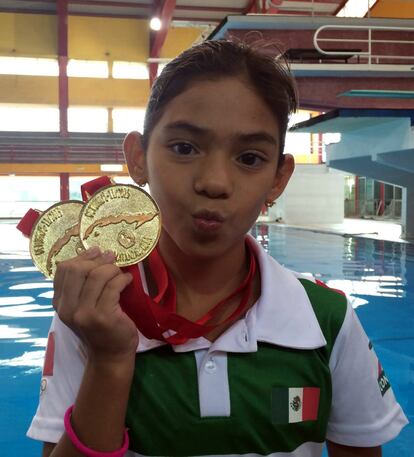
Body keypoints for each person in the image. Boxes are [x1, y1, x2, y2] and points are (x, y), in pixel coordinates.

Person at [27, 39, 408, 457]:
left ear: (278, 179)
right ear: (138, 158)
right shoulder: (90, 315)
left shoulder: (325, 320)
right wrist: (110, 361)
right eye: (184, 148)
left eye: (249, 158)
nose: (214, 182)